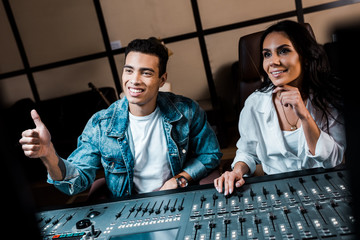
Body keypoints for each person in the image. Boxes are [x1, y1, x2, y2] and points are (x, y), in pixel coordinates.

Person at [19, 38, 222, 198]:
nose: (134, 80)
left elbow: (210, 154)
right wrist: (49, 155)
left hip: (178, 198)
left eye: (146, 73)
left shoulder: (186, 111)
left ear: (162, 80)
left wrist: (179, 180)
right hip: (130, 208)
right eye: (129, 70)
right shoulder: (101, 124)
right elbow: (76, 183)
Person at [214, 20, 345, 195]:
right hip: (278, 191)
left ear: (304, 57)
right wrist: (237, 170)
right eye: (267, 54)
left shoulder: (329, 98)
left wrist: (305, 116)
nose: (273, 62)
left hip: (326, 186)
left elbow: (335, 160)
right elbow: (247, 152)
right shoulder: (254, 103)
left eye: (283, 51)